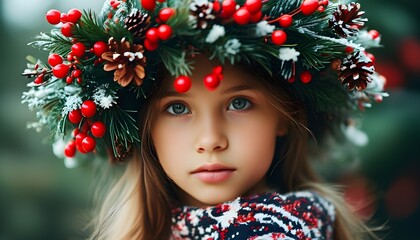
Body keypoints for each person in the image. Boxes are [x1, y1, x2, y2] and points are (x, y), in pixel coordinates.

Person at [22, 0, 387, 239]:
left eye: (239, 104)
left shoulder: (280, 230)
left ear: (285, 115)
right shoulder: (158, 228)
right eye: (178, 108)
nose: (211, 139)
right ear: (144, 128)